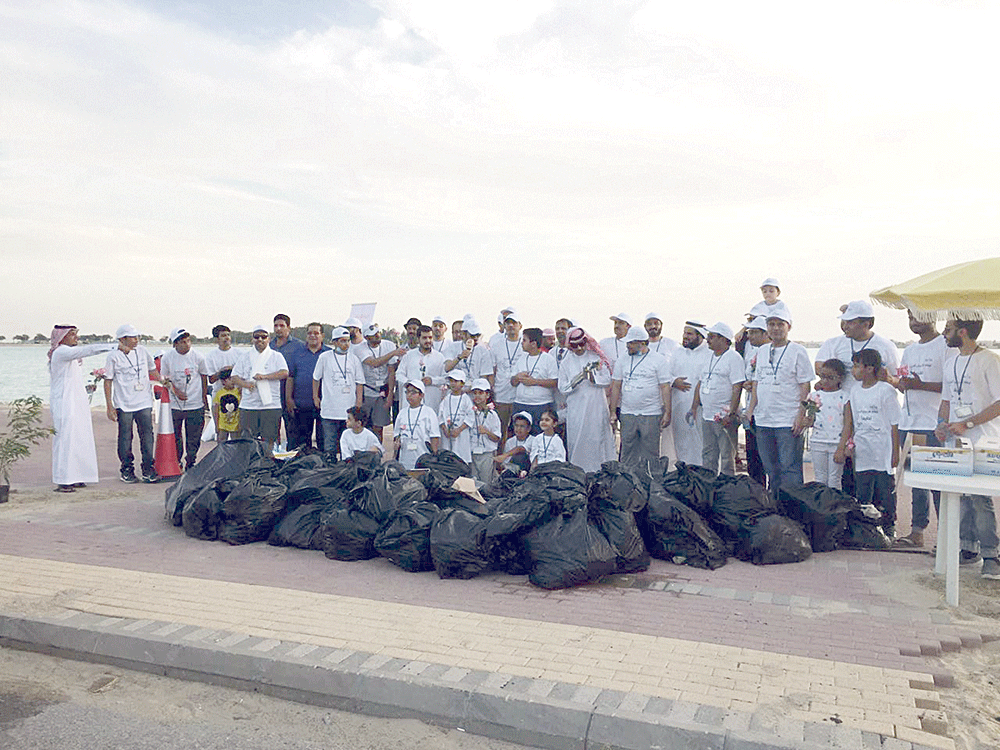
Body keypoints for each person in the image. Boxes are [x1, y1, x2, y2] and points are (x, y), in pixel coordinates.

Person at [935, 318, 1000, 579]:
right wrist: (941, 424)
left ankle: (991, 554)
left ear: (963, 332)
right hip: (957, 440)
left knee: (981, 499)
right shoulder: (951, 362)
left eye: (948, 329)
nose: (943, 333)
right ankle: (966, 548)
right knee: (960, 497)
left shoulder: (989, 360)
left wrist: (969, 422)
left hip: (985, 439)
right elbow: (946, 401)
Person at [744, 309, 813, 499]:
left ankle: (794, 510)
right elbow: (757, 381)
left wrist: (801, 415)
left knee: (790, 469)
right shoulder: (762, 350)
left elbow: (805, 385)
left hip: (787, 420)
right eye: (771, 324)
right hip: (764, 419)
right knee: (771, 469)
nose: (775, 328)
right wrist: (750, 410)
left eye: (780, 324)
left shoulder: (798, 351)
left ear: (788, 326)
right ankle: (776, 506)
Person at [894, 312, 950, 548]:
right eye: (909, 316)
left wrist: (921, 385)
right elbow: (904, 383)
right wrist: (902, 384)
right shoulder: (910, 350)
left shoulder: (946, 346)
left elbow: (951, 386)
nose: (913, 320)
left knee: (937, 483)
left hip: (932, 425)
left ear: (932, 315)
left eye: (918, 315)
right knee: (916, 482)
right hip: (909, 423)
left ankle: (947, 537)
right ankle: (917, 532)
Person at [836, 350, 901, 537]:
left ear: (870, 368)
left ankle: (889, 526)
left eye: (857, 366)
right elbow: (852, 421)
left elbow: (895, 423)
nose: (854, 371)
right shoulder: (854, 391)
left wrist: (895, 451)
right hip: (863, 448)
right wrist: (848, 445)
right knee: (863, 488)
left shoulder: (885, 390)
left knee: (885, 488)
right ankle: (866, 527)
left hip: (883, 447)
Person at [48, 325, 115, 492]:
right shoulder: (61, 352)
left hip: (77, 401)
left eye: (76, 334)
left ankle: (77, 476)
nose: (75, 338)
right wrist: (113, 346)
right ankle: (64, 479)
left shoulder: (71, 356)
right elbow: (87, 350)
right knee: (66, 439)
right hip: (64, 402)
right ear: (61, 337)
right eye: (72, 334)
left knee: (80, 437)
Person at [103, 324, 165, 484]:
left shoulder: (143, 351)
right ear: (122, 339)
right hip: (124, 404)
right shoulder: (113, 356)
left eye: (137, 336)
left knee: (147, 435)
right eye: (132, 337)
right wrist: (109, 406)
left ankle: (148, 469)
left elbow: (153, 371)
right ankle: (126, 469)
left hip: (144, 401)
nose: (136, 340)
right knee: (125, 436)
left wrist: (165, 382)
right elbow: (108, 381)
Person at [608, 326, 672, 468]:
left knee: (650, 453)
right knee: (627, 452)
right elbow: (616, 385)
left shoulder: (658, 360)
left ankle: (650, 484)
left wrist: (667, 412)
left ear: (641, 343)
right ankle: (627, 483)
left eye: (630, 343)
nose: (627, 346)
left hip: (650, 413)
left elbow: (665, 387)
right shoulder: (623, 359)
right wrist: (612, 411)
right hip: (627, 413)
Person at [687, 322, 745, 476]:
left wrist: (731, 413)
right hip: (707, 415)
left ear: (723, 339)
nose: (708, 340)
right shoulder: (708, 357)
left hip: (724, 417)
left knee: (727, 456)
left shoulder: (734, 357)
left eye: (712, 337)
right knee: (708, 454)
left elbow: (737, 386)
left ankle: (727, 489)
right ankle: (708, 486)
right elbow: (700, 383)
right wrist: (693, 407)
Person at [558, 327, 615, 472]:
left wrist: (592, 378)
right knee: (578, 440)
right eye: (575, 345)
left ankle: (600, 472)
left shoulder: (595, 358)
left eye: (581, 344)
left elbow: (607, 379)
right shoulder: (566, 362)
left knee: (597, 439)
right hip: (576, 408)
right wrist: (577, 380)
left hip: (596, 406)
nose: (579, 348)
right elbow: (562, 388)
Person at [159, 327, 209, 470]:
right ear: (175, 344)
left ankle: (191, 461)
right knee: (176, 435)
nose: (186, 344)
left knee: (194, 437)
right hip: (175, 405)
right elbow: (164, 379)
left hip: (195, 404)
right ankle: (177, 461)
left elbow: (204, 377)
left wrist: (204, 397)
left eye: (188, 341)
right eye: (182, 342)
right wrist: (176, 391)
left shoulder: (198, 357)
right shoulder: (168, 357)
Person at [232, 325, 288, 450]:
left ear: (269, 339)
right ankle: (250, 466)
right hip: (248, 405)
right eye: (257, 337)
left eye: (263, 337)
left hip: (271, 405)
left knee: (269, 440)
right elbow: (234, 376)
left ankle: (268, 464)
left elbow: (284, 373)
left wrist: (265, 377)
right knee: (247, 440)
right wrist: (246, 385)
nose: (260, 340)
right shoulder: (244, 357)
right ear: (252, 339)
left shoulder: (276, 356)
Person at [312, 326, 364, 456]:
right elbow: (316, 378)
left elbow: (359, 382)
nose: (346, 344)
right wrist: (315, 397)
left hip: (348, 411)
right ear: (334, 342)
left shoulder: (354, 359)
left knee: (346, 445)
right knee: (329, 446)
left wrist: (358, 401)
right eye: (342, 341)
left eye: (347, 341)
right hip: (329, 410)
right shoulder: (325, 357)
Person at [669, 321, 711, 466]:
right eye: (684, 333)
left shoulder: (710, 353)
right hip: (679, 406)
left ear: (700, 336)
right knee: (682, 441)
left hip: (701, 408)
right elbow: (665, 375)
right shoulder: (677, 352)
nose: (685, 336)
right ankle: (684, 475)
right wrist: (674, 381)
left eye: (689, 334)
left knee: (702, 442)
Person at [285, 322, 330, 450]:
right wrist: (289, 398)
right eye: (310, 333)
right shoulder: (297, 353)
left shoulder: (329, 353)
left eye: (316, 333)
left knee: (323, 441)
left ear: (322, 335)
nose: (312, 336)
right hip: (301, 403)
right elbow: (290, 377)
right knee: (303, 442)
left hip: (324, 405)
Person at [357, 323, 405, 441]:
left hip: (382, 391)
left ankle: (377, 451)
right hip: (368, 391)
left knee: (378, 427)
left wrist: (389, 396)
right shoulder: (360, 348)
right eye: (373, 335)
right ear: (367, 337)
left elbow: (391, 371)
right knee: (363, 425)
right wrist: (393, 353)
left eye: (378, 333)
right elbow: (374, 363)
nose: (377, 336)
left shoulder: (388, 345)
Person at [806, 359, 849, 489]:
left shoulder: (845, 396)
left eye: (830, 377)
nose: (825, 381)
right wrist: (806, 421)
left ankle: (834, 506)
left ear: (840, 378)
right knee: (820, 478)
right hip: (818, 441)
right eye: (822, 376)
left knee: (834, 479)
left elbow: (848, 423)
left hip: (836, 442)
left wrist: (842, 447)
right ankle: (821, 507)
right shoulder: (814, 396)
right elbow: (811, 418)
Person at [511, 327, 559, 434]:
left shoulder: (548, 359)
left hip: (541, 405)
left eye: (524, 340)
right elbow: (512, 382)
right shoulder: (521, 358)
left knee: (540, 435)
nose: (521, 343)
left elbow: (555, 382)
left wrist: (534, 382)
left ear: (533, 343)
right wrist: (518, 377)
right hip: (520, 404)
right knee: (519, 436)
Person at [741, 317, 769, 487]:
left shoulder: (770, 352)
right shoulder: (752, 352)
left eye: (753, 333)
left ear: (765, 333)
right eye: (748, 332)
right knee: (753, 455)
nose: (749, 336)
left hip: (767, 412)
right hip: (751, 410)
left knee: (767, 457)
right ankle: (756, 492)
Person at [271, 314, 305, 448]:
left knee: (292, 430)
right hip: (272, 394)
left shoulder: (299, 346)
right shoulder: (269, 346)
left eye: (282, 326)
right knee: (272, 430)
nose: (278, 329)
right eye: (276, 326)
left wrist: (290, 397)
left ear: (288, 328)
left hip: (291, 394)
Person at [398, 325, 448, 413]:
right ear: (418, 339)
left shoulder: (439, 357)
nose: (428, 341)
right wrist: (410, 384)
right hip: (411, 402)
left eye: (430, 337)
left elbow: (446, 378)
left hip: (431, 402)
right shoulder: (409, 355)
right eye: (424, 338)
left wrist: (432, 380)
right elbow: (399, 375)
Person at [491, 312, 523, 444]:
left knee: (519, 431)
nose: (510, 326)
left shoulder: (524, 345)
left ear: (520, 326)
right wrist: (492, 390)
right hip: (501, 396)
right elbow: (492, 370)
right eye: (508, 323)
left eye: (514, 323)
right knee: (500, 431)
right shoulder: (497, 345)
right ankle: (499, 462)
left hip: (520, 396)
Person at [393, 380, 441, 470]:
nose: (409, 395)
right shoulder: (402, 413)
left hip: (423, 459)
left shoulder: (429, 412)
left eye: (413, 392)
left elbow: (434, 437)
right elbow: (397, 436)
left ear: (421, 395)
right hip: (405, 460)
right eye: (407, 392)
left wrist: (434, 458)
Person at [468, 378, 501, 484]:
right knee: (473, 482)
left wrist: (487, 432)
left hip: (486, 453)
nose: (477, 396)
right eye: (475, 393)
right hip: (472, 452)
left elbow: (497, 438)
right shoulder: (470, 412)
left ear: (487, 395)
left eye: (481, 393)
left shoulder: (492, 415)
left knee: (486, 482)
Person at [445, 318, 495, 388]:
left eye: (478, 335)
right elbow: (447, 368)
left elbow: (485, 376)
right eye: (472, 335)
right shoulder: (453, 347)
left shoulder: (483, 351)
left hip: (475, 390)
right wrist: (459, 357)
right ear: (463, 334)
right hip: (456, 390)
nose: (475, 338)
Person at [438, 370, 475, 461]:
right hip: (448, 435)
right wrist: (445, 429)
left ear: (462, 384)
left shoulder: (466, 399)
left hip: (461, 435)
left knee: (461, 458)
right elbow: (441, 415)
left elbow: (470, 417)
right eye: (451, 381)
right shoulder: (446, 398)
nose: (453, 384)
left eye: (456, 381)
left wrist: (459, 429)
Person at [205, 325, 239, 394]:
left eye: (228, 335)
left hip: (238, 393)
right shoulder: (210, 356)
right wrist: (221, 372)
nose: (227, 338)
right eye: (223, 336)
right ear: (217, 339)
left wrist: (233, 369)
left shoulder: (240, 354)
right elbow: (211, 380)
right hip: (219, 394)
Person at [212, 367, 241, 443]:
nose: (233, 382)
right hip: (222, 425)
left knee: (235, 442)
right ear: (223, 382)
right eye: (230, 379)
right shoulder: (219, 393)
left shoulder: (238, 392)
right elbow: (216, 409)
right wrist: (217, 424)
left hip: (235, 425)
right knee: (221, 442)